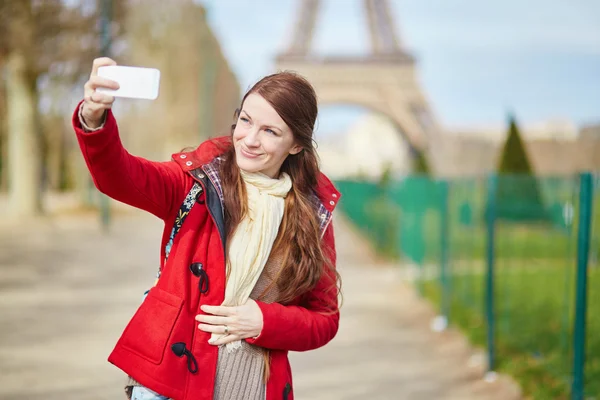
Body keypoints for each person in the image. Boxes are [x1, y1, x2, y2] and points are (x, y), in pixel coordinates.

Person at [72, 57, 341, 400]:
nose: (249, 139)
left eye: (270, 131)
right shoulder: (198, 181)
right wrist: (94, 120)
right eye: (245, 120)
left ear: (296, 145)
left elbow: (325, 319)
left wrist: (264, 321)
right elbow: (120, 176)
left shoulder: (311, 215)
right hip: (166, 383)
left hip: (251, 388)